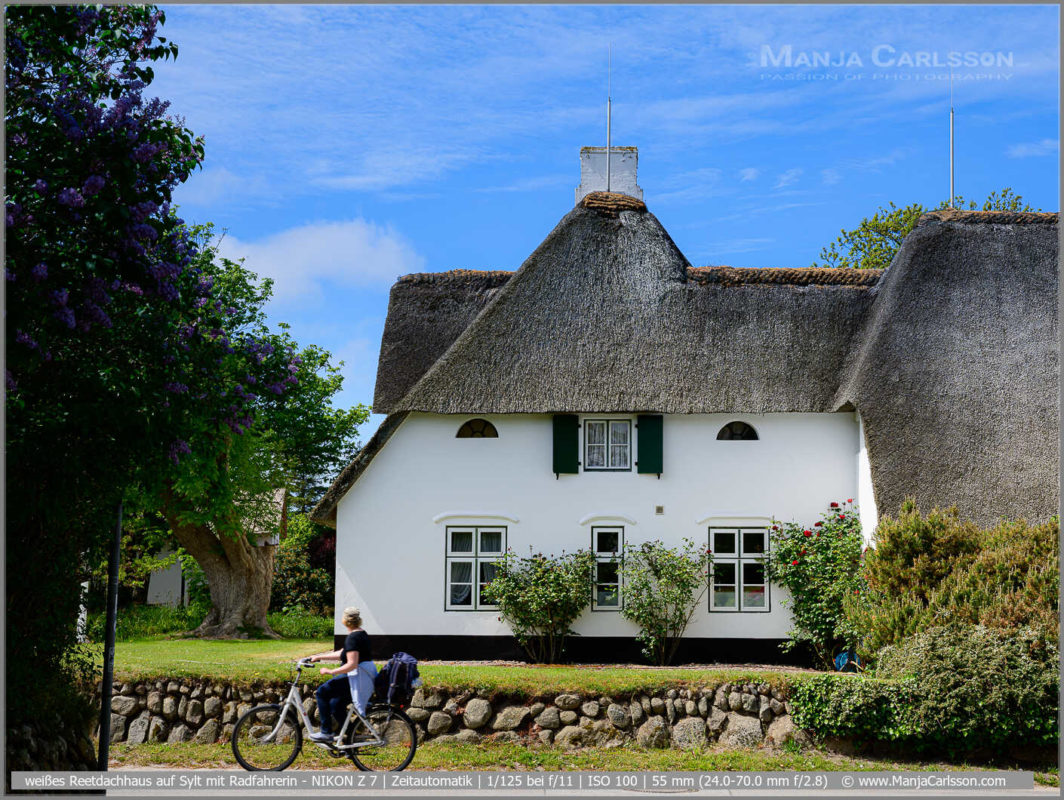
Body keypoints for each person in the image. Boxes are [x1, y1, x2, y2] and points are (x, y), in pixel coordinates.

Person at [306, 606, 378, 743]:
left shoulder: (353, 638)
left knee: (322, 692)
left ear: (345, 620)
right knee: (335, 704)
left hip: (356, 679)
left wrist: (330, 671)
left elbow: (352, 664)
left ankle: (326, 732)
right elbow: (343, 653)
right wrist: (319, 657)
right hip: (363, 678)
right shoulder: (361, 634)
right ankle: (352, 738)